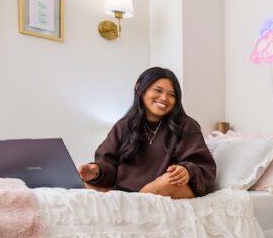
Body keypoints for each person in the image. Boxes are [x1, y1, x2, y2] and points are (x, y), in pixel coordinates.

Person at [78, 67, 216, 199]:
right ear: (140, 89)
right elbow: (108, 164)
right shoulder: (123, 126)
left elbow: (204, 168)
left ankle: (136, 204)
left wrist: (187, 170)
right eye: (158, 90)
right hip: (126, 193)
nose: (164, 98)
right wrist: (96, 171)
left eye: (172, 94)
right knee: (82, 183)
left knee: (168, 180)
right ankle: (135, 203)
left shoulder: (186, 126)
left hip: (166, 189)